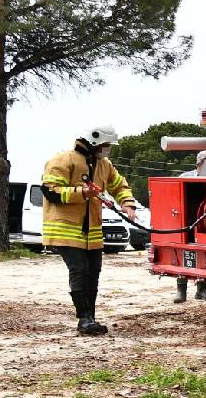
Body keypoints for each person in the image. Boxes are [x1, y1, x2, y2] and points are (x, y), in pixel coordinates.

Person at [41, 125, 138, 335]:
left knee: (93, 273)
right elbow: (50, 191)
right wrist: (82, 192)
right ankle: (84, 318)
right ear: (94, 142)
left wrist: (127, 203)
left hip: (91, 232)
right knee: (79, 270)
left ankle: (90, 318)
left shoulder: (105, 165)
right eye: (106, 145)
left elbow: (119, 185)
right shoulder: (63, 160)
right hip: (65, 231)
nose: (108, 149)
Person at [174, 151, 206, 303]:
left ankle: (201, 290)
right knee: (184, 257)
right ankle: (181, 291)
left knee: (204, 256)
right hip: (186, 222)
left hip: (204, 223)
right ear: (200, 163)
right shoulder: (185, 177)